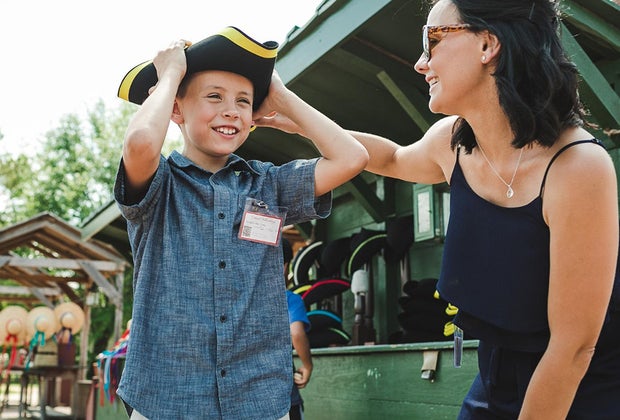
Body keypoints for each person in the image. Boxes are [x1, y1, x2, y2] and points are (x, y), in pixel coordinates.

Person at [259, 1, 620, 418]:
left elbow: (572, 348)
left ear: (488, 44)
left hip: (580, 390)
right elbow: (391, 159)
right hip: (493, 380)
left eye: (432, 39)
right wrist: (292, 114)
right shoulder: (452, 141)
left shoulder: (579, 167)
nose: (419, 63)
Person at [113, 27, 368, 419]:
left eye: (244, 101)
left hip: (259, 399)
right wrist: (169, 76)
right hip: (166, 398)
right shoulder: (159, 184)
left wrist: (281, 97)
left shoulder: (270, 183)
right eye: (214, 96)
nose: (231, 109)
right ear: (176, 110)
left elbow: (352, 157)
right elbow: (140, 144)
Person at [282, 238, 313, 420]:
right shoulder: (290, 299)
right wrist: (308, 366)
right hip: (285, 398)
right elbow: (296, 332)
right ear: (285, 267)